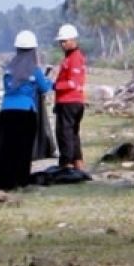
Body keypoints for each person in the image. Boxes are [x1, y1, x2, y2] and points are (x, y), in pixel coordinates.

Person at [0, 30, 54, 190]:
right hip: (26, 112)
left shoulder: (9, 68)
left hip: (6, 111)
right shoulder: (35, 69)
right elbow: (44, 88)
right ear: (33, 50)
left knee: (3, 147)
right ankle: (19, 181)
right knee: (22, 148)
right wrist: (49, 82)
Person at [52, 24, 87, 171]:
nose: (62, 44)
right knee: (72, 134)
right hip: (69, 101)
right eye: (61, 42)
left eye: (64, 41)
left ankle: (66, 163)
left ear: (73, 40)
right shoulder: (70, 57)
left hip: (70, 101)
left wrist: (56, 86)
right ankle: (77, 161)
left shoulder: (75, 58)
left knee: (64, 133)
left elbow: (73, 82)